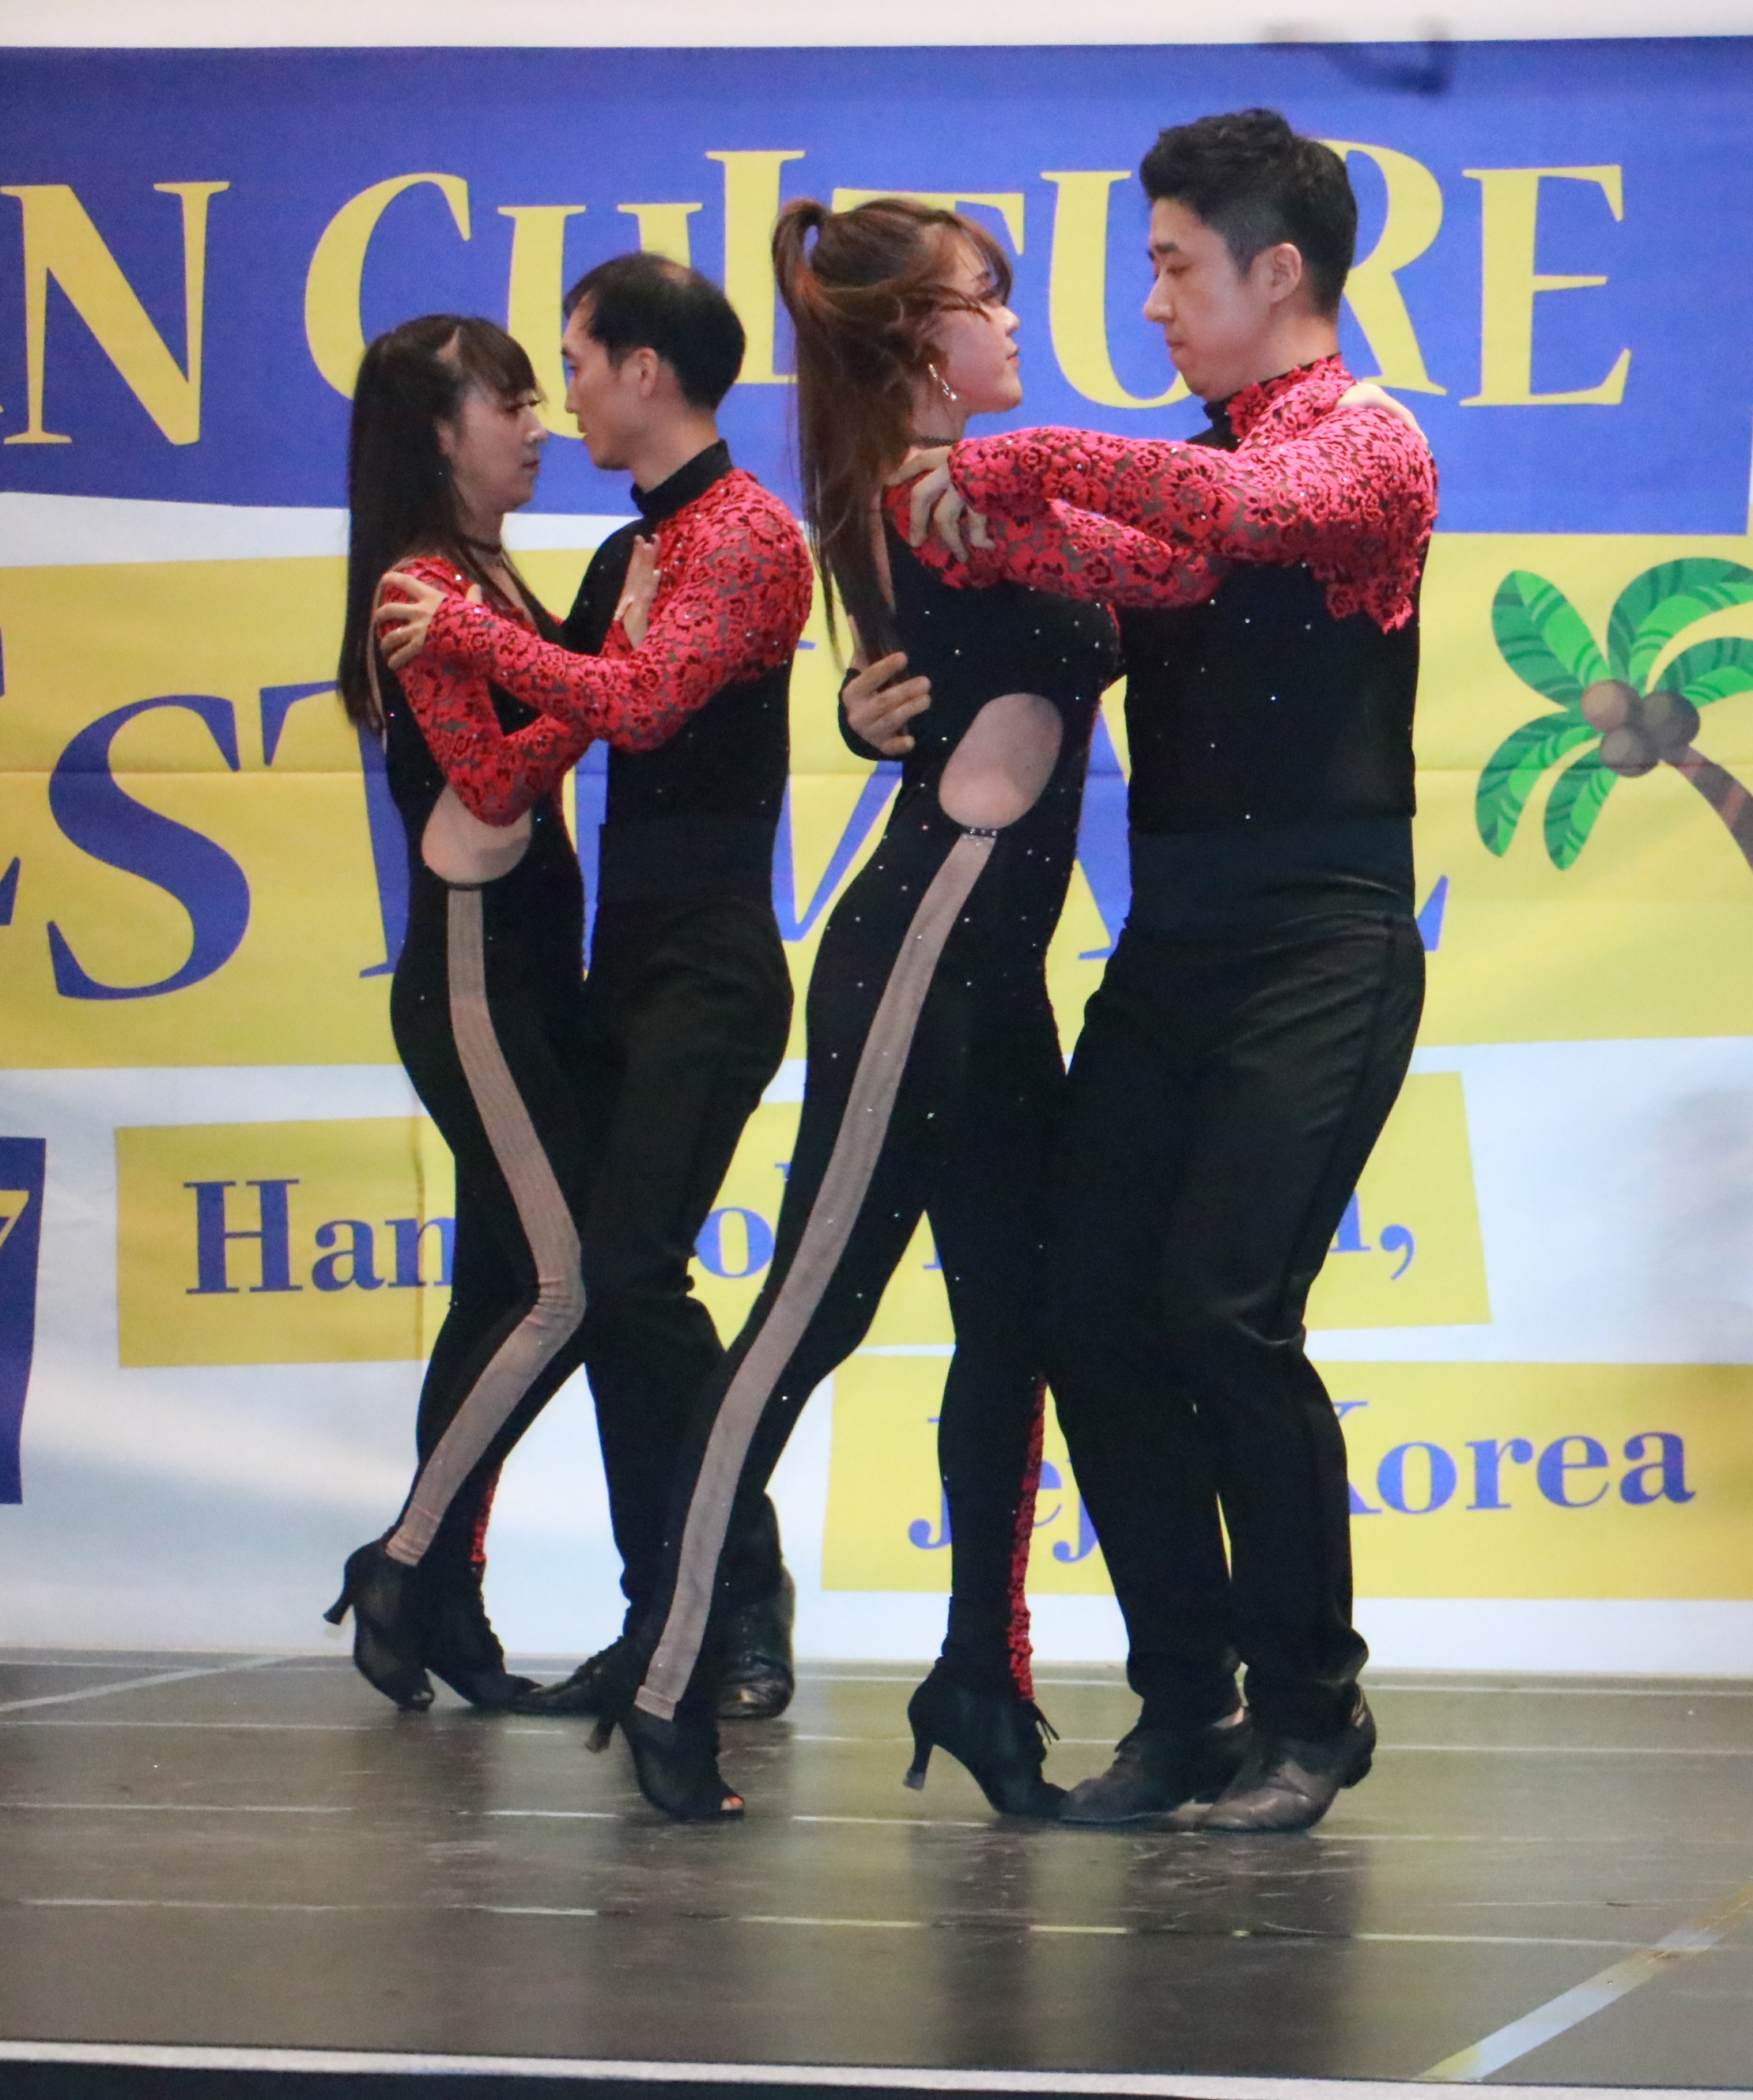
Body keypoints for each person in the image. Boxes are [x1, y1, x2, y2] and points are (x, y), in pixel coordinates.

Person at [601, 197, 1218, 1821]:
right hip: (920, 961)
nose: (1013, 323)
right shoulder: (940, 495)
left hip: (993, 978)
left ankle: (981, 1677)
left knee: (1016, 1329)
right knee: (809, 1311)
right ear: (909, 340)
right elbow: (1180, 561)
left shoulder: (934, 490)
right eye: (983, 298)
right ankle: (669, 1666)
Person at [899, 107, 1436, 1833]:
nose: (1151, 303)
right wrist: (891, 664)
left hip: (1325, 938)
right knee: (1084, 1306)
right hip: (1176, 942)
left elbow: (1239, 507)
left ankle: (1312, 1709)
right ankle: (1185, 1701)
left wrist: (1018, 460)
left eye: (1172, 266)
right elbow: (1066, 573)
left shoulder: (1369, 443)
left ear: (1277, 271)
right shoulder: (1190, 470)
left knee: (1224, 1308)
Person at [376, 255, 812, 1727]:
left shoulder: (749, 533)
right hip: (617, 962)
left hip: (709, 958)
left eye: (569, 364)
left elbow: (642, 701)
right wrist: (467, 633)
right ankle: (649, 1613)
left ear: (643, 368)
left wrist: (469, 632)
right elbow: (540, 729)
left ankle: (731, 1603)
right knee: (600, 1291)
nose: (559, 401)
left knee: (624, 1280)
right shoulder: (624, 551)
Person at [323, 313, 611, 1713]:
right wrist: (612, 688)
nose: (540, 427)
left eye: (542, 398)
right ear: (439, 435)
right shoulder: (418, 589)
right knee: (568, 1286)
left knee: (500, 1295)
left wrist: (585, 671)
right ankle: (402, 1559)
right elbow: (492, 782)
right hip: (475, 979)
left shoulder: (481, 575)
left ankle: (444, 1604)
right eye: (511, 404)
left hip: (534, 974)